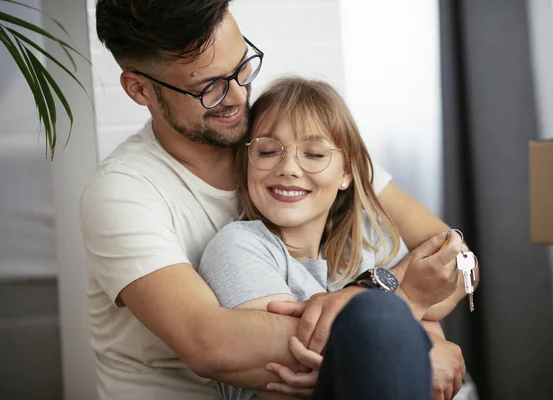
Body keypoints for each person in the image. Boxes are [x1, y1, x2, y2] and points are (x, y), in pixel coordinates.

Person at [81, 1, 469, 399]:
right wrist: (406, 338)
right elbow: (210, 343)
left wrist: (404, 323)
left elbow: (451, 257)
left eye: (241, 67)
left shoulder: (286, 139)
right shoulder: (123, 192)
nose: (236, 96)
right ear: (139, 88)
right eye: (207, 87)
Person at [198, 76, 466, 400]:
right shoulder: (239, 247)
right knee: (374, 310)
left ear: (346, 173)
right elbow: (281, 370)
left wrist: (432, 347)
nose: (288, 168)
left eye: (313, 154)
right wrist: (411, 298)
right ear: (247, 164)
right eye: (268, 151)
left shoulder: (370, 238)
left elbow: (426, 333)